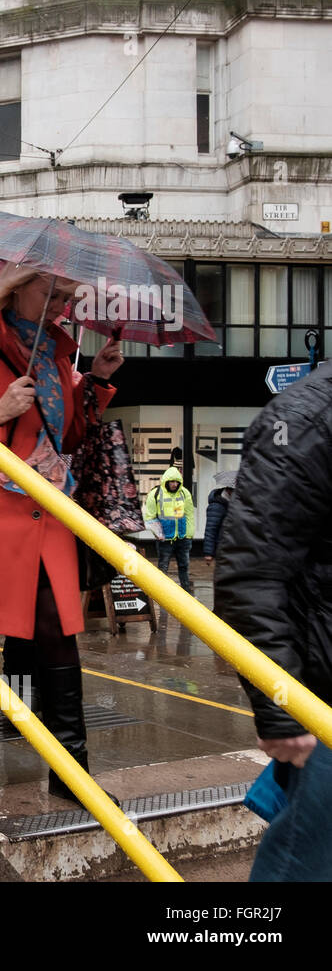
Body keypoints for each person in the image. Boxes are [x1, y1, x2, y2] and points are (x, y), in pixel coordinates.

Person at [0, 265, 124, 802]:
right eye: (51, 292)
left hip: (45, 510)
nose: (61, 304)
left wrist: (97, 380)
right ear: (15, 290)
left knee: (57, 635)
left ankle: (71, 771)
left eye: (69, 295)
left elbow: (72, 433)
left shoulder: (60, 355)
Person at [214, 361, 332, 880]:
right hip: (324, 698)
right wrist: (281, 708)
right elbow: (249, 574)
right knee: (304, 864)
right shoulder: (305, 420)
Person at [143, 466, 195, 592]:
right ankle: (162, 594)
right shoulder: (155, 494)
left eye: (177, 481)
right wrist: (158, 534)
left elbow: (189, 514)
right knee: (163, 568)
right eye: (172, 481)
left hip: (182, 538)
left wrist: (189, 536)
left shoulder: (184, 493)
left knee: (184, 567)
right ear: (166, 481)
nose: (174, 484)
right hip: (165, 539)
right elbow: (150, 517)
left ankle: (187, 594)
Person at [202, 481, 233, 565]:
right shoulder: (217, 505)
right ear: (229, 490)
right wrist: (208, 553)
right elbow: (210, 529)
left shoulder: (234, 504)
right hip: (223, 547)